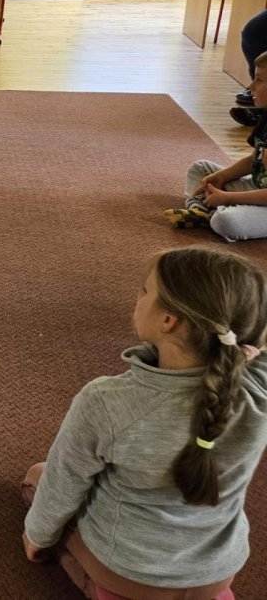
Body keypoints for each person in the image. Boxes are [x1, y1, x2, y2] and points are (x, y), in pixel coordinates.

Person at [22, 247, 267, 599]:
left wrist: (36, 538)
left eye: (144, 290)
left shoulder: (105, 401)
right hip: (217, 573)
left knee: (38, 477)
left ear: (168, 321)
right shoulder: (259, 390)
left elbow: (63, 483)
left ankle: (101, 589)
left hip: (130, 573)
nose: (138, 297)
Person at [167, 51, 267, 239]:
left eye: (259, 80)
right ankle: (201, 211)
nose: (251, 86)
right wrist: (221, 176)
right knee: (201, 168)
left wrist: (228, 198)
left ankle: (214, 211)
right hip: (256, 188)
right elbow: (255, 158)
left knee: (227, 221)